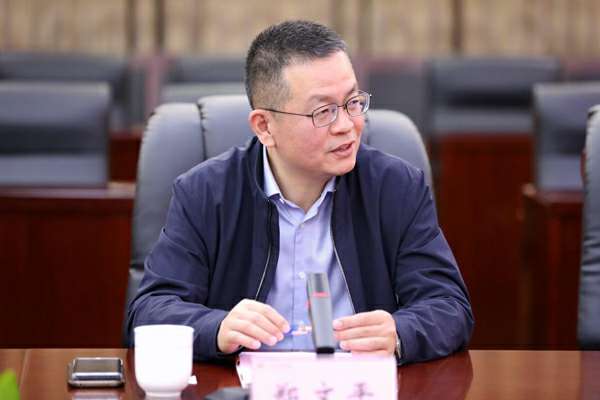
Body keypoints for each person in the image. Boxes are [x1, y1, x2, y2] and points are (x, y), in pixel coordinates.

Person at [126, 20, 473, 364]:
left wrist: (400, 332)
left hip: (355, 382)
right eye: (324, 112)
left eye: (353, 102)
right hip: (246, 385)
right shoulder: (205, 193)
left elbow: (449, 306)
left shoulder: (395, 188)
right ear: (265, 126)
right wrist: (216, 328)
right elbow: (149, 310)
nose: (347, 126)